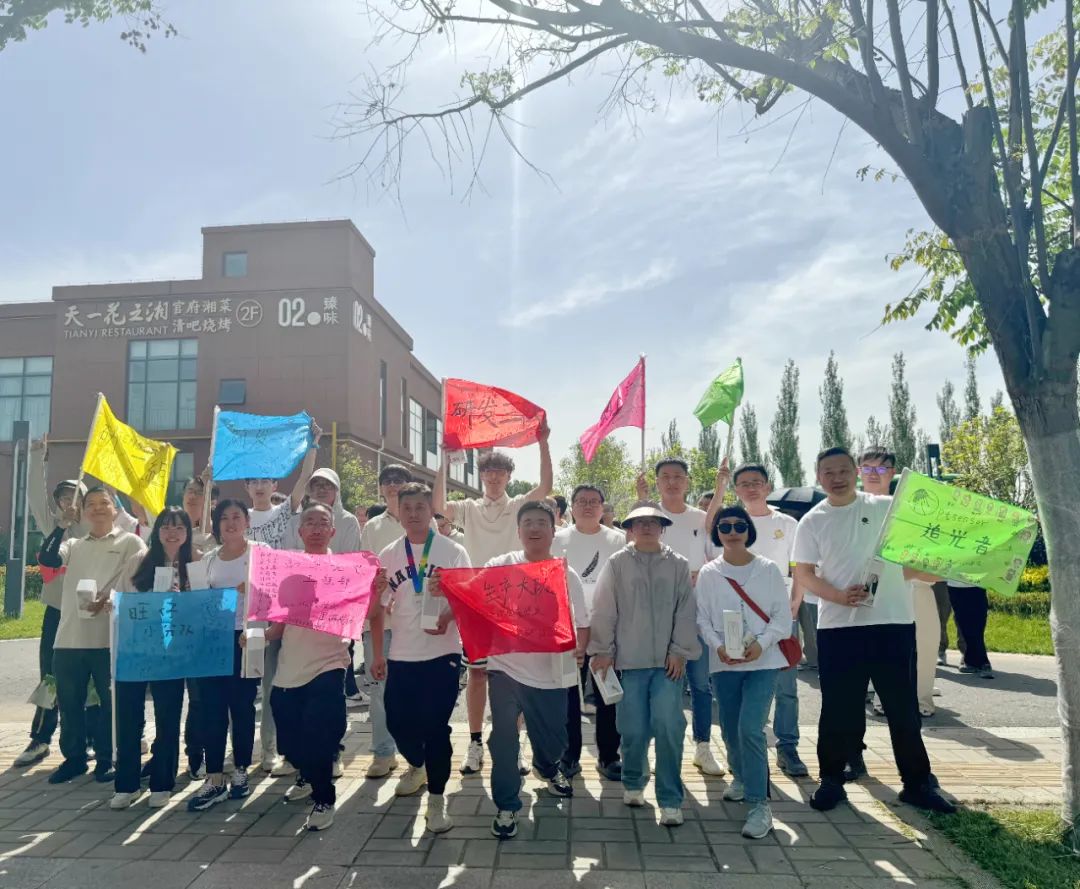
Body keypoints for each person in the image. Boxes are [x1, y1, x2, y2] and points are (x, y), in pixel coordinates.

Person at [793, 447, 955, 814]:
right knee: (838, 709)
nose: (837, 478)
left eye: (843, 470)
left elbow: (915, 558)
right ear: (818, 477)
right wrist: (838, 596)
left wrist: (941, 565)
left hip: (893, 624)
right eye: (828, 472)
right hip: (839, 628)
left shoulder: (887, 509)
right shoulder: (813, 521)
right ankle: (831, 781)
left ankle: (917, 784)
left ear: (855, 472)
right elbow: (803, 573)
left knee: (903, 709)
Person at [434, 423, 553, 776]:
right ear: (481, 475)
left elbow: (545, 486)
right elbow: (438, 505)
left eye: (501, 471)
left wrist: (543, 443)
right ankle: (474, 743)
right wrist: (444, 460)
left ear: (509, 475)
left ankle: (511, 744)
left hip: (515, 601)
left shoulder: (518, 505)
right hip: (477, 600)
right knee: (477, 674)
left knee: (515, 677)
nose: (495, 476)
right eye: (489, 471)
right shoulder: (469, 507)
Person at [268, 503, 383, 831]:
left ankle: (324, 799)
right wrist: (255, 636)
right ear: (300, 531)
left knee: (320, 732)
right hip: (291, 666)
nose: (316, 529)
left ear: (333, 531)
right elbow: (278, 626)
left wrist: (376, 592)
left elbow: (365, 615)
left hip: (330, 663)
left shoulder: (345, 571)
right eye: (310, 523)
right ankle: (307, 774)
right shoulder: (289, 570)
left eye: (323, 523)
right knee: (289, 739)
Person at [589, 502, 700, 827]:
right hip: (629, 661)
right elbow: (604, 609)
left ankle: (670, 799)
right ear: (629, 529)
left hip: (668, 664)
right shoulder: (617, 563)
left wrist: (679, 650)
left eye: (653, 522)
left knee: (669, 726)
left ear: (662, 527)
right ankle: (634, 781)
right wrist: (603, 650)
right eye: (639, 523)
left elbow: (686, 610)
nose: (647, 527)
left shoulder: (678, 564)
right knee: (632, 728)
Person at [483, 500, 588, 840]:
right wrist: (443, 591)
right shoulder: (501, 566)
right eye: (527, 522)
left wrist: (582, 648)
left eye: (541, 522)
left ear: (553, 531)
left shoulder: (566, 573)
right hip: (506, 669)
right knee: (503, 738)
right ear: (518, 530)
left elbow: (582, 623)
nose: (534, 528)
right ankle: (507, 805)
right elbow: (473, 593)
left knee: (554, 739)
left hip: (551, 672)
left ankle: (547, 766)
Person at [370, 482, 470, 833]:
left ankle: (437, 801)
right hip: (401, 654)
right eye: (407, 507)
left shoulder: (453, 551)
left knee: (435, 727)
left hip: (443, 653)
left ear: (431, 511)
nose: (413, 514)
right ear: (398, 511)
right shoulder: (388, 554)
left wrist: (448, 609)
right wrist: (378, 654)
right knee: (397, 723)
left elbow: (469, 601)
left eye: (420, 507)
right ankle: (418, 765)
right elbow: (376, 610)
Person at [37, 486, 147, 784]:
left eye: (104, 503)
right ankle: (74, 758)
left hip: (108, 638)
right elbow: (48, 559)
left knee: (109, 705)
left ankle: (106, 758)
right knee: (69, 703)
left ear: (115, 509)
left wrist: (112, 597)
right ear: (83, 512)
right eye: (91, 504)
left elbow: (141, 581)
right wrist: (61, 525)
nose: (98, 508)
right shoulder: (73, 544)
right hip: (69, 638)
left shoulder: (130, 542)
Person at [708, 461, 809, 777]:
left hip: (779, 614)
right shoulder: (732, 523)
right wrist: (719, 489)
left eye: (757, 482)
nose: (751, 488)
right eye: (744, 483)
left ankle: (787, 746)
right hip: (738, 618)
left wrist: (796, 602)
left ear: (767, 486)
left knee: (786, 686)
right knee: (743, 688)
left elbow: (799, 567)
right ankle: (749, 752)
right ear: (736, 489)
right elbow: (710, 533)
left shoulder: (787, 524)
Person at [697, 505, 792, 839]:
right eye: (725, 526)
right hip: (725, 662)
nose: (733, 531)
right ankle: (740, 775)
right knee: (730, 727)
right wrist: (718, 646)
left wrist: (762, 644)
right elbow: (702, 618)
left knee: (751, 728)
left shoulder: (768, 569)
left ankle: (759, 804)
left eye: (740, 525)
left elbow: (783, 618)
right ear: (717, 533)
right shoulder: (709, 573)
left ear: (749, 530)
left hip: (763, 662)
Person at [637, 457, 723, 777]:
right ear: (657, 482)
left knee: (700, 684)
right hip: (657, 616)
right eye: (665, 477)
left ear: (687, 481)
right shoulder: (648, 518)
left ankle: (703, 746)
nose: (672, 482)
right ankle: (655, 748)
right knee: (661, 686)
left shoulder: (702, 518)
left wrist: (701, 573)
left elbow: (718, 559)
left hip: (697, 614)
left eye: (678, 476)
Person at [110, 508, 198, 809]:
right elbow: (121, 598)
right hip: (135, 650)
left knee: (168, 718)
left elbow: (203, 608)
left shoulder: (195, 564)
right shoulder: (139, 560)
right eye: (166, 527)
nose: (172, 533)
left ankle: (162, 783)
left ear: (188, 533)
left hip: (172, 654)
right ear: (157, 531)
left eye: (179, 527)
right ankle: (126, 784)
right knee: (129, 718)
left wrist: (182, 599)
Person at [187, 500, 265, 811]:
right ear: (217, 524)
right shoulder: (207, 560)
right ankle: (215, 776)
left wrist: (254, 593)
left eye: (236, 517)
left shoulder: (260, 554)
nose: (230, 523)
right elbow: (199, 602)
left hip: (244, 639)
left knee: (242, 708)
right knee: (212, 710)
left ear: (247, 521)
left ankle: (242, 770)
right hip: (212, 641)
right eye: (224, 518)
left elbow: (272, 594)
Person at [19, 438, 88, 768]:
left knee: (90, 677)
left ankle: (91, 737)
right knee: (50, 674)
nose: (67, 502)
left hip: (88, 613)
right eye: (62, 497)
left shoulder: (95, 529)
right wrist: (37, 457)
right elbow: (34, 496)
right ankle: (41, 738)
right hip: (57, 612)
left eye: (74, 496)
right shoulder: (53, 527)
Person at [551, 484, 626, 780]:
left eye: (594, 501)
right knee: (569, 694)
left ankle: (609, 756)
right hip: (567, 629)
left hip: (607, 629)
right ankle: (569, 755)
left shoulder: (619, 539)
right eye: (581, 501)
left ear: (603, 507)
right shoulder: (557, 539)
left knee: (608, 695)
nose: (587, 506)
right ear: (571, 507)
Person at [859, 448, 938, 718]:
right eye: (868, 468)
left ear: (892, 472)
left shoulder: (909, 508)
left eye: (881, 468)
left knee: (924, 644)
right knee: (881, 646)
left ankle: (922, 699)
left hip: (916, 583)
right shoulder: (852, 508)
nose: (874, 474)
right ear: (859, 471)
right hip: (874, 585)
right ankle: (884, 698)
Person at [357, 463, 417, 779]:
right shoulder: (372, 527)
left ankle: (415, 755)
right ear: (381, 488)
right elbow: (365, 571)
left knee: (411, 690)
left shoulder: (421, 521)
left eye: (399, 479)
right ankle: (383, 753)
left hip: (413, 620)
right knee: (379, 688)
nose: (393, 485)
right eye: (387, 480)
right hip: (379, 620)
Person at [244, 421, 320, 549]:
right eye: (254, 482)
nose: (259, 487)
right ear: (247, 487)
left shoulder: (283, 512)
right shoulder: (240, 518)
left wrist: (313, 444)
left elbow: (305, 477)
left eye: (265, 481)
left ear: (274, 485)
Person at [948, 581, 993, 678]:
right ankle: (977, 661)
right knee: (963, 624)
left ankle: (979, 661)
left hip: (977, 583)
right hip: (955, 585)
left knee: (978, 622)